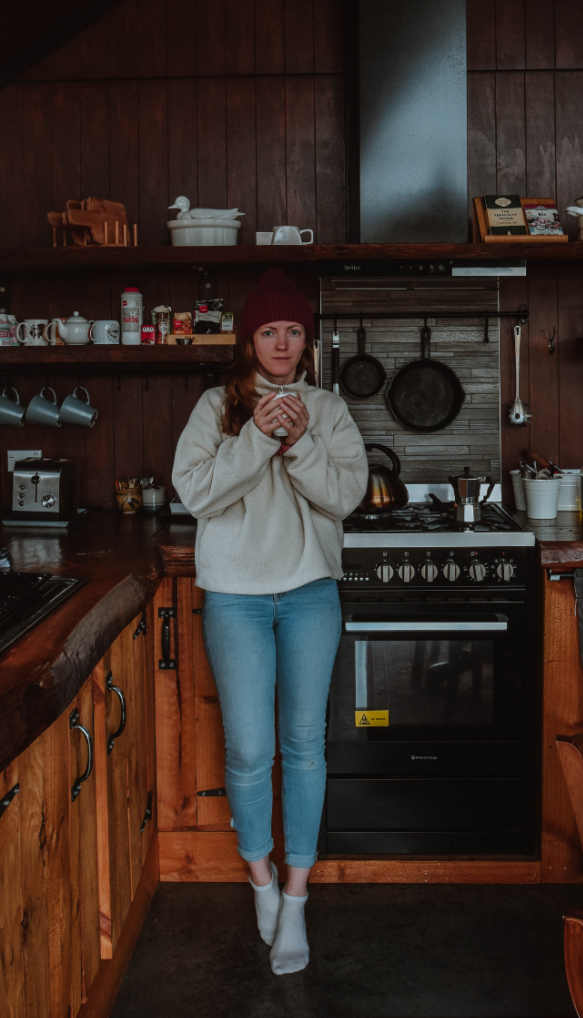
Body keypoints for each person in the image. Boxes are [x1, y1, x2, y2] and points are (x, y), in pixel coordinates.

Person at [172, 270, 368, 975]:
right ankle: (259, 878)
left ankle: (295, 899)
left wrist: (299, 442)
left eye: (292, 331)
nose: (282, 343)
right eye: (268, 331)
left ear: (305, 340)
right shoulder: (214, 408)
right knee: (252, 750)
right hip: (235, 598)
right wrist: (256, 437)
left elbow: (345, 498)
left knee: (304, 747)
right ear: (248, 340)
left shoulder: (329, 409)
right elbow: (196, 495)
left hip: (310, 593)